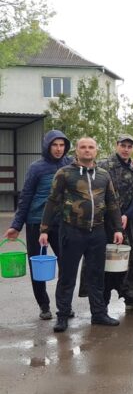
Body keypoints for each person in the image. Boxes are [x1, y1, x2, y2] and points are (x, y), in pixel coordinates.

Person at [39, 137, 123, 332]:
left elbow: (112, 203)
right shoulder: (64, 173)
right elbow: (52, 202)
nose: (87, 150)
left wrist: (118, 228)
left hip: (98, 232)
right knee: (67, 275)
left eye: (91, 147)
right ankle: (63, 315)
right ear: (77, 151)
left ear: (96, 151)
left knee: (96, 275)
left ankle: (99, 314)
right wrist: (44, 230)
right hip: (71, 231)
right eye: (83, 147)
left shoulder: (104, 175)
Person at [3, 130, 73, 320]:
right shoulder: (37, 168)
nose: (59, 149)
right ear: (47, 146)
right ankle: (44, 306)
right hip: (36, 222)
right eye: (54, 145)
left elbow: (90, 167)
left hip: (61, 223)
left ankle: (64, 305)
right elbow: (26, 196)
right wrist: (16, 225)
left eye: (62, 145)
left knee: (66, 263)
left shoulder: (70, 164)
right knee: (38, 266)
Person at [79, 134, 133, 312]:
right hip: (103, 224)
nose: (126, 149)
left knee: (128, 261)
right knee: (102, 262)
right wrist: (113, 216)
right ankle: (101, 303)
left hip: (125, 226)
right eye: (123, 145)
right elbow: (93, 194)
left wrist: (126, 216)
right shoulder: (102, 167)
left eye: (129, 146)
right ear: (117, 145)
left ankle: (132, 298)